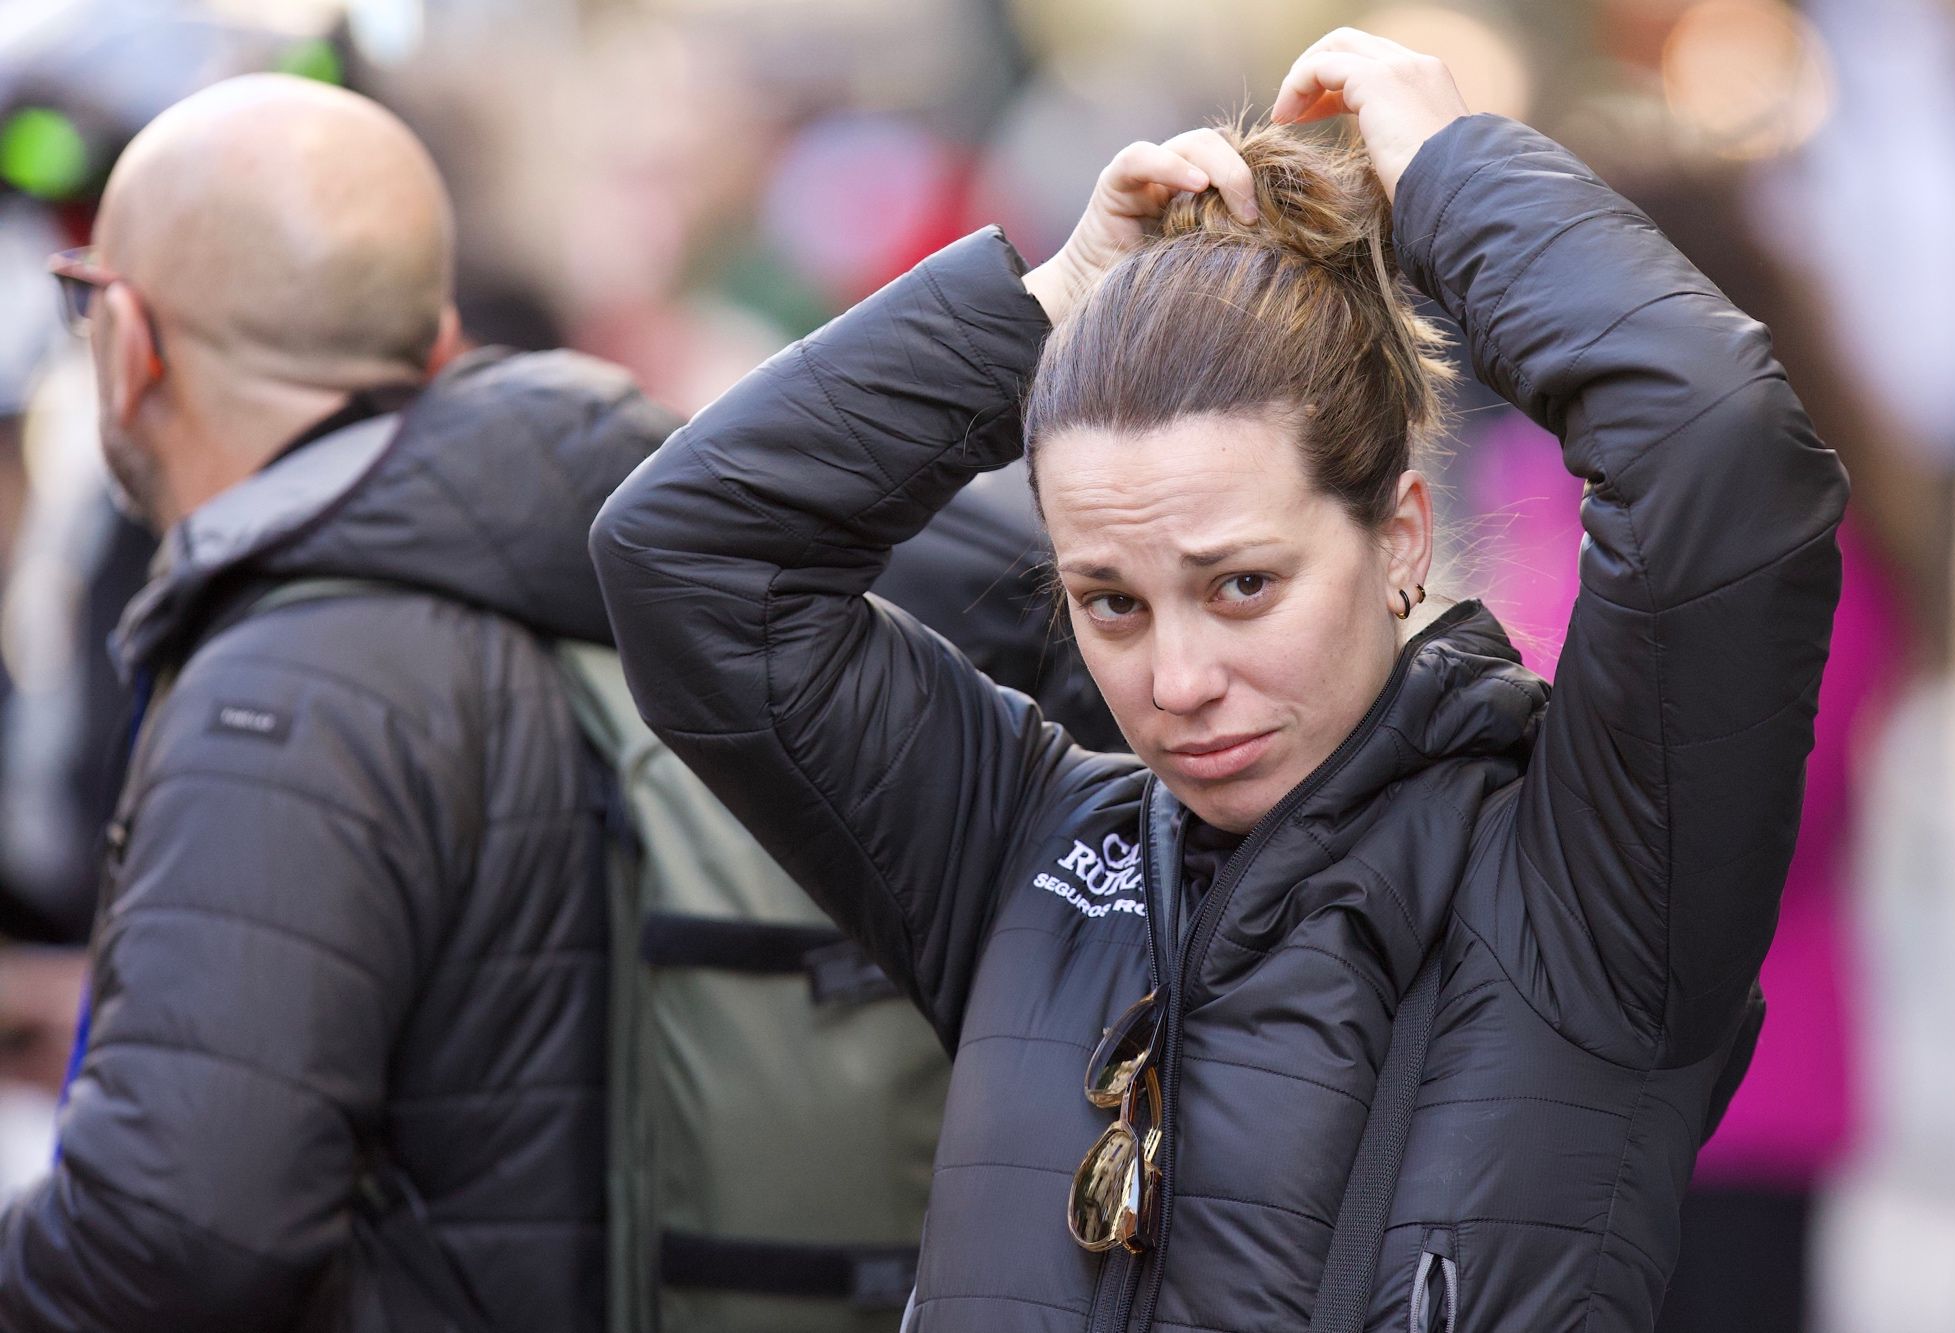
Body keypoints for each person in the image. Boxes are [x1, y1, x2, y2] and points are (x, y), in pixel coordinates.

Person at [592, 28, 1848, 1333]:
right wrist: (1042, 302)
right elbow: (689, 561)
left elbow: (1725, 456)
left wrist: (1457, 182)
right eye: (1111, 604)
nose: (1177, 683)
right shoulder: (1023, 849)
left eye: (1242, 584)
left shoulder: (1590, 882)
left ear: (1401, 535)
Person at [0, 74, 674, 1331]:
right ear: (436, 348)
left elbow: (174, 1238)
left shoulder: (288, 684)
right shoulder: (526, 572)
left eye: (80, 298)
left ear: (132, 340)